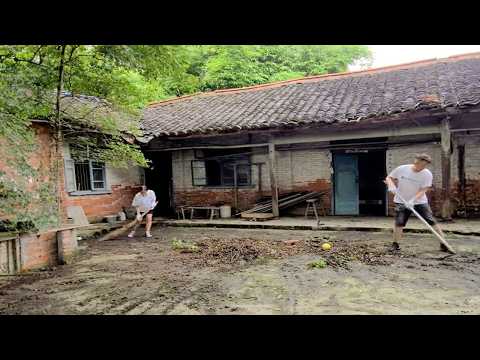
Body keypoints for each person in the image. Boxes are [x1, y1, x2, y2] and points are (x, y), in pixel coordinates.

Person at [384, 153, 449, 252]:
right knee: (399, 222)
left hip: (420, 202)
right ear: (416, 161)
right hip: (401, 201)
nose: (422, 167)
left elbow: (424, 189)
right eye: (420, 164)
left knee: (431, 221)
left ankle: (443, 243)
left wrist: (413, 200)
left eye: (424, 165)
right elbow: (389, 178)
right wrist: (391, 185)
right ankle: (395, 245)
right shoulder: (402, 169)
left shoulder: (427, 174)